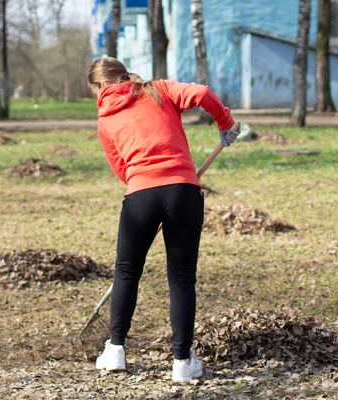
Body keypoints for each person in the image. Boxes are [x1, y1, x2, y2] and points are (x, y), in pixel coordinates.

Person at [87, 57, 240, 382]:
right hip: (183, 192)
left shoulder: (105, 118)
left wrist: (146, 195)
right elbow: (200, 93)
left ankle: (115, 351)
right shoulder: (158, 90)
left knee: (126, 271)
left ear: (101, 86)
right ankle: (183, 363)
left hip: (140, 194)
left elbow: (121, 168)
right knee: (182, 278)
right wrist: (225, 123)